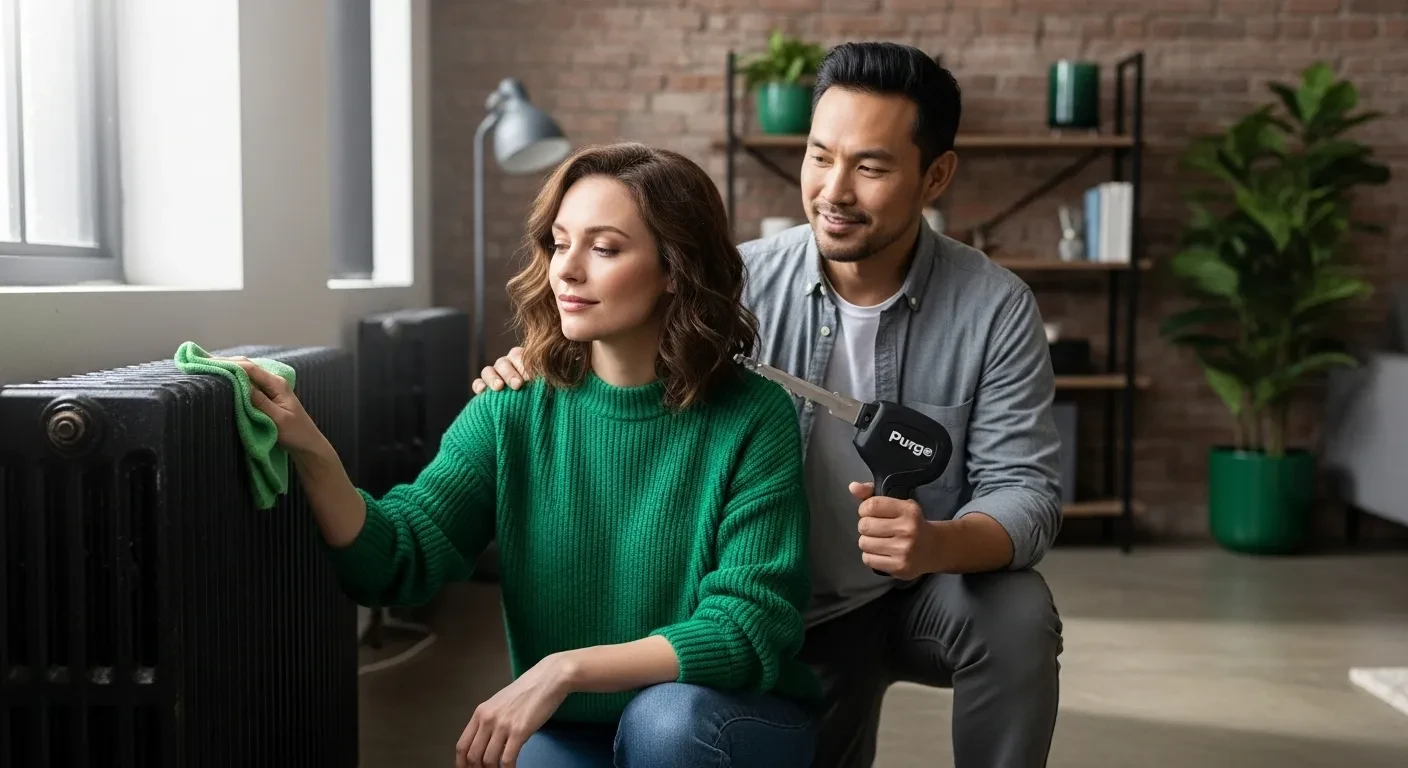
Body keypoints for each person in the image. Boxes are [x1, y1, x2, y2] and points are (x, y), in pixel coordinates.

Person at [474, 42, 1065, 768]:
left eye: (871, 167)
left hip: (917, 594)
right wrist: (534, 362)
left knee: (1016, 614)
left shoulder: (997, 308)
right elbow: (617, 360)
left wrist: (939, 544)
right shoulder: (738, 283)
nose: (834, 191)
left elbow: (1027, 491)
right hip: (774, 610)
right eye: (820, 157)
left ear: (935, 174)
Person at [226, 142, 820, 768]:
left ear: (675, 268)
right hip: (577, 729)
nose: (567, 269)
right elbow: (400, 558)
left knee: (664, 723)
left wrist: (563, 669)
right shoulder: (512, 405)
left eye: (606, 247)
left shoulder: (754, 416)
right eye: (561, 243)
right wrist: (313, 450)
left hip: (718, 719)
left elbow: (746, 628)